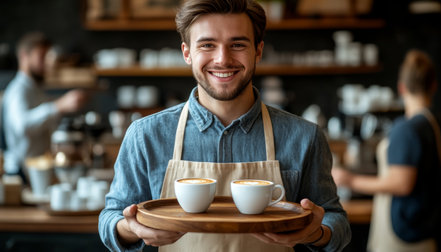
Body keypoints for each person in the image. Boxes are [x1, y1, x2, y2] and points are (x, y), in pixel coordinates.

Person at [99, 0, 351, 251]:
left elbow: (336, 220)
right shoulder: (145, 135)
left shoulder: (304, 136)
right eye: (207, 45)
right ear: (187, 53)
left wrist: (316, 233)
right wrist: (133, 229)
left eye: (238, 44)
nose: (223, 59)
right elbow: (111, 218)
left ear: (258, 51)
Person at [332, 50, 441, 252]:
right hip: (427, 228)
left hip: (404, 234)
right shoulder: (436, 125)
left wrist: (348, 180)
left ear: (401, 88)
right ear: (433, 86)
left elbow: (401, 183)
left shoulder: (406, 128)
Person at [1, 32, 88, 179]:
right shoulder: (19, 90)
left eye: (47, 57)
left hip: (36, 169)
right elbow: (22, 125)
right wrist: (59, 106)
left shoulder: (35, 89)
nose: (47, 63)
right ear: (24, 56)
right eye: (41, 57)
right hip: (21, 172)